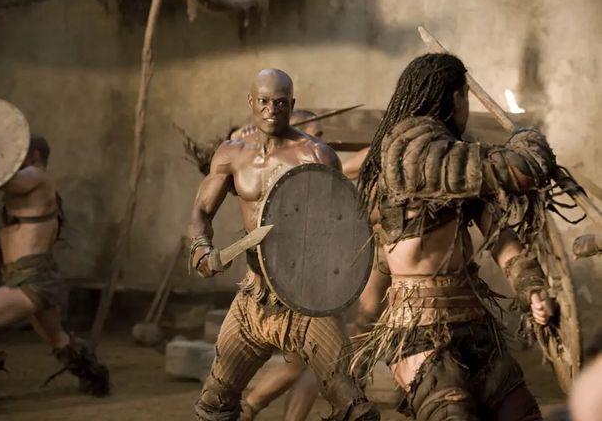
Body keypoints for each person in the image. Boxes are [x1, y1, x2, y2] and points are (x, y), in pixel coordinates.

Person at [352, 53, 557, 420]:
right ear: (457, 98)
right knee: (451, 413)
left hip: (472, 320)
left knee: (520, 413)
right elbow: (521, 169)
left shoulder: (456, 166)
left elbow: (499, 236)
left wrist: (531, 287)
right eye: (464, 97)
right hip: (418, 328)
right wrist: (526, 141)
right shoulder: (411, 153)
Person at [187, 68, 379, 421]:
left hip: (307, 301)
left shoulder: (316, 156)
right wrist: (200, 245)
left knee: (352, 405)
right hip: (253, 299)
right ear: (251, 101)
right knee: (213, 404)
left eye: (279, 103)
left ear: (292, 104)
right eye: (263, 101)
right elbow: (201, 209)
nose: (271, 110)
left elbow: (341, 228)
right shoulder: (231, 154)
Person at [0, 135, 109, 417]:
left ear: (34, 154)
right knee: (57, 339)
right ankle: (95, 377)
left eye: (20, 152)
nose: (14, 158)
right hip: (28, 275)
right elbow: (23, 236)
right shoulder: (28, 190)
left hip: (32, 280)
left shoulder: (36, 176)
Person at [242, 144, 392, 421]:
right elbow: (332, 181)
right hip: (339, 269)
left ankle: (251, 408)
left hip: (373, 264)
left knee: (319, 361)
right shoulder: (377, 156)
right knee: (309, 361)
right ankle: (249, 408)